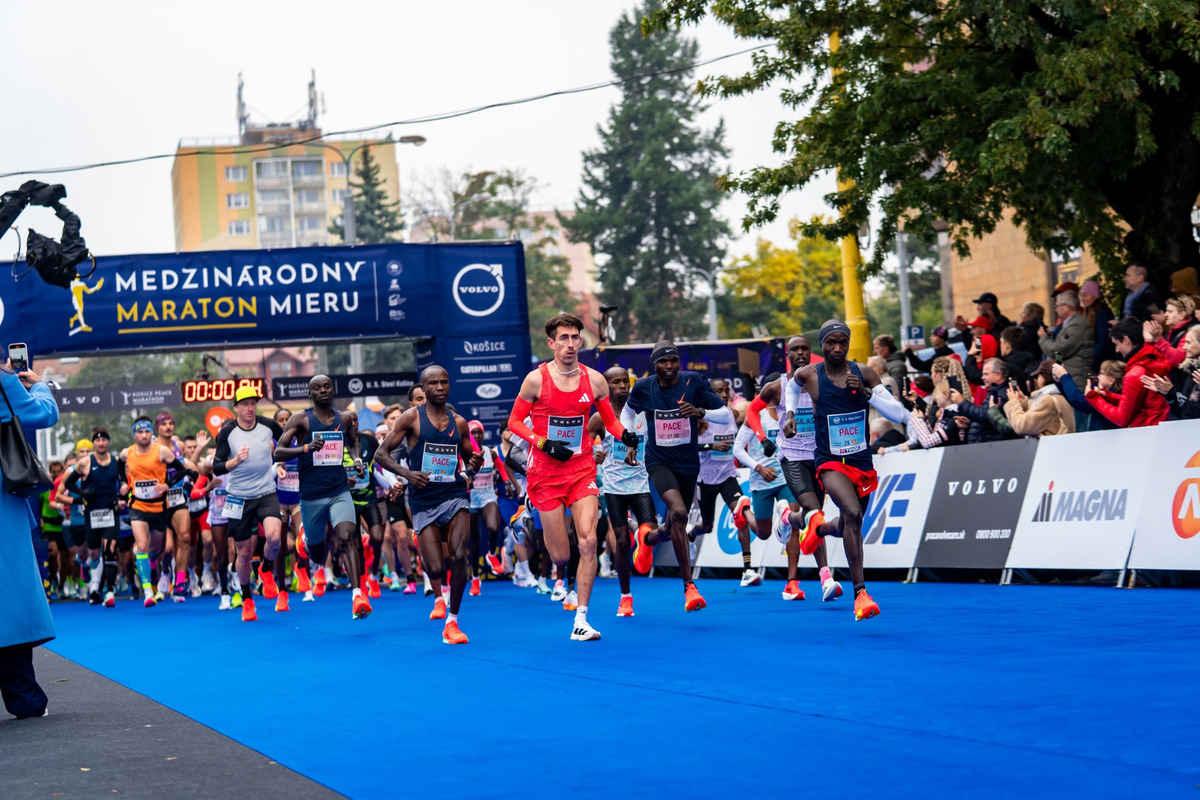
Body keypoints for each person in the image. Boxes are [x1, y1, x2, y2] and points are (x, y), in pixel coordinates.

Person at [506, 314, 637, 640]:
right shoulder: (535, 381)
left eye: (575, 337)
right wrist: (544, 442)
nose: (569, 344)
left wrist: (626, 436)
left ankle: (581, 619)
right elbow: (514, 423)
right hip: (545, 474)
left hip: (581, 470)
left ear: (581, 341)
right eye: (563, 338)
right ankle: (528, 515)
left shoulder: (594, 381)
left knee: (589, 541)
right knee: (561, 555)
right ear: (551, 343)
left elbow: (610, 422)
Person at [790, 320, 917, 621]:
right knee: (852, 514)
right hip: (829, 461)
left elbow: (899, 414)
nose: (837, 348)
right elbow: (792, 388)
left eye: (842, 342)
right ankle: (861, 594)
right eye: (830, 343)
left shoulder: (865, 373)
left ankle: (815, 529)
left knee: (849, 523)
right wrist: (791, 414)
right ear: (821, 345)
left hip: (861, 461)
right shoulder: (809, 374)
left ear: (848, 344)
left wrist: (869, 394)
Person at [620, 339, 734, 613]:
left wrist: (699, 411)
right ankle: (689, 586)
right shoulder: (644, 387)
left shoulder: (693, 382)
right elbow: (627, 413)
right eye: (662, 361)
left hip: (688, 464)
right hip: (658, 461)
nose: (668, 366)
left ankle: (646, 540)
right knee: (680, 513)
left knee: (670, 528)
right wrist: (630, 439)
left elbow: (725, 414)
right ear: (654, 364)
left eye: (673, 360)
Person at [375, 366, 482, 644]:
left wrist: (472, 465)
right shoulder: (412, 419)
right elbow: (380, 454)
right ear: (423, 387)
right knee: (435, 569)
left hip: (454, 495)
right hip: (423, 499)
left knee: (459, 556)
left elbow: (472, 457)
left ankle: (453, 622)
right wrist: (407, 474)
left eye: (444, 382)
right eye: (433, 383)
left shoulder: (458, 423)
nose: (439, 387)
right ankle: (423, 544)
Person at [747, 335, 844, 602]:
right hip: (791, 459)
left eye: (805, 348)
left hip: (820, 458)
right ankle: (826, 577)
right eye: (795, 349)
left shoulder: (820, 380)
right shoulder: (776, 386)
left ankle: (788, 517)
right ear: (787, 355)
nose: (800, 352)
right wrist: (763, 439)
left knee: (817, 518)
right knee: (814, 515)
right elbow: (751, 413)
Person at [274, 375, 371, 620]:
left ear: (333, 390)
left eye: (326, 386)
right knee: (316, 553)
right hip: (311, 496)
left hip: (339, 490)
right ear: (310, 393)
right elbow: (278, 452)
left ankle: (358, 594)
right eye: (316, 388)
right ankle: (304, 544)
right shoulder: (301, 419)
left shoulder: (345, 418)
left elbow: (353, 443)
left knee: (348, 536)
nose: (323, 391)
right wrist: (305, 448)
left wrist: (357, 460)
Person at [0, 360, 59, 719]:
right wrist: (39, 384)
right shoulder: (4, 381)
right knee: (11, 597)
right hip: (3, 503)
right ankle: (24, 696)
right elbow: (42, 413)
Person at [211, 386, 287, 621]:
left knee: (274, 537)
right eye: (244, 404)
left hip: (266, 491)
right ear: (235, 408)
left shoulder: (268, 425)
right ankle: (246, 598)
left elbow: (285, 441)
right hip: (238, 496)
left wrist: (282, 461)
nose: (250, 408)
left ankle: (265, 567)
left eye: (253, 403)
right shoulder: (227, 432)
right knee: (242, 553)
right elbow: (216, 466)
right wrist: (235, 461)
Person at [587, 366, 654, 616]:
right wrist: (596, 455)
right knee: (621, 542)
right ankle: (626, 597)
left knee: (652, 531)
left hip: (641, 485)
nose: (623, 386)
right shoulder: (599, 418)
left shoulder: (643, 412)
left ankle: (641, 537)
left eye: (625, 381)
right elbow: (582, 449)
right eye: (616, 383)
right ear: (606, 387)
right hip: (614, 489)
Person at [120, 416, 196, 608]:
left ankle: (167, 575)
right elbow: (119, 466)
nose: (144, 435)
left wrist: (167, 484)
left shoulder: (168, 448)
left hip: (164, 503)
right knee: (150, 546)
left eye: (147, 432)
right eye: (140, 432)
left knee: (165, 545)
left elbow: (183, 469)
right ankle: (150, 588)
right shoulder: (129, 452)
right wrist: (123, 483)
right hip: (138, 505)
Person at [690, 377, 754, 584]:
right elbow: (687, 448)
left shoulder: (732, 414)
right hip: (706, 480)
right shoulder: (701, 421)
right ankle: (692, 533)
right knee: (707, 526)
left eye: (726, 391)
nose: (724, 395)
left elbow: (753, 409)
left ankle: (748, 569)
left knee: (741, 515)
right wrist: (711, 447)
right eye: (719, 391)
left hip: (728, 476)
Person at [63, 428, 123, 606]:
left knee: (110, 550)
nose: (101, 443)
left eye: (104, 440)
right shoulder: (84, 463)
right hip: (92, 514)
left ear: (108, 442)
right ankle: (95, 585)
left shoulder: (116, 461)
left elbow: (124, 481)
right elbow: (68, 483)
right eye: (98, 441)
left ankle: (109, 591)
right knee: (95, 554)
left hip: (111, 512)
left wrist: (123, 494)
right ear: (94, 443)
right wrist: (82, 493)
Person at [1086, 317, 1170, 428]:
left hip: (1145, 433)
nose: (1116, 350)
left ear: (1126, 340)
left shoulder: (1135, 373)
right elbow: (1138, 403)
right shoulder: (1152, 360)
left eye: (1117, 344)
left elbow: (1121, 418)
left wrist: (1094, 398)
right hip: (1156, 427)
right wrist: (1108, 396)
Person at [1001, 361, 1075, 437]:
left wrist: (1013, 403)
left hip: (1049, 447)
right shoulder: (1064, 396)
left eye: (1039, 376)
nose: (1037, 379)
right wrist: (1024, 403)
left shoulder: (1048, 400)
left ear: (1044, 378)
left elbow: (1022, 427)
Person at [1078, 281, 1116, 371]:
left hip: (1101, 361)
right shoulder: (1088, 312)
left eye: (1085, 295)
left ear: (1094, 296)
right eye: (1081, 295)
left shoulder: (1102, 313)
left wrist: (1091, 359)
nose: (1082, 299)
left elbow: (1103, 340)